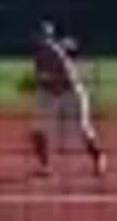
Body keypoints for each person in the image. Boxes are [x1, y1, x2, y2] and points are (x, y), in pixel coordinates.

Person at [26, 20, 107, 178]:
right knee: (37, 131)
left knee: (83, 129)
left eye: (44, 36)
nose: (41, 39)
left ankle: (99, 159)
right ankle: (45, 167)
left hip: (71, 92)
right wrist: (36, 83)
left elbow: (67, 78)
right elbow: (40, 76)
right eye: (39, 35)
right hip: (50, 93)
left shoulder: (57, 52)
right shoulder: (38, 54)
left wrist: (45, 81)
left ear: (50, 37)